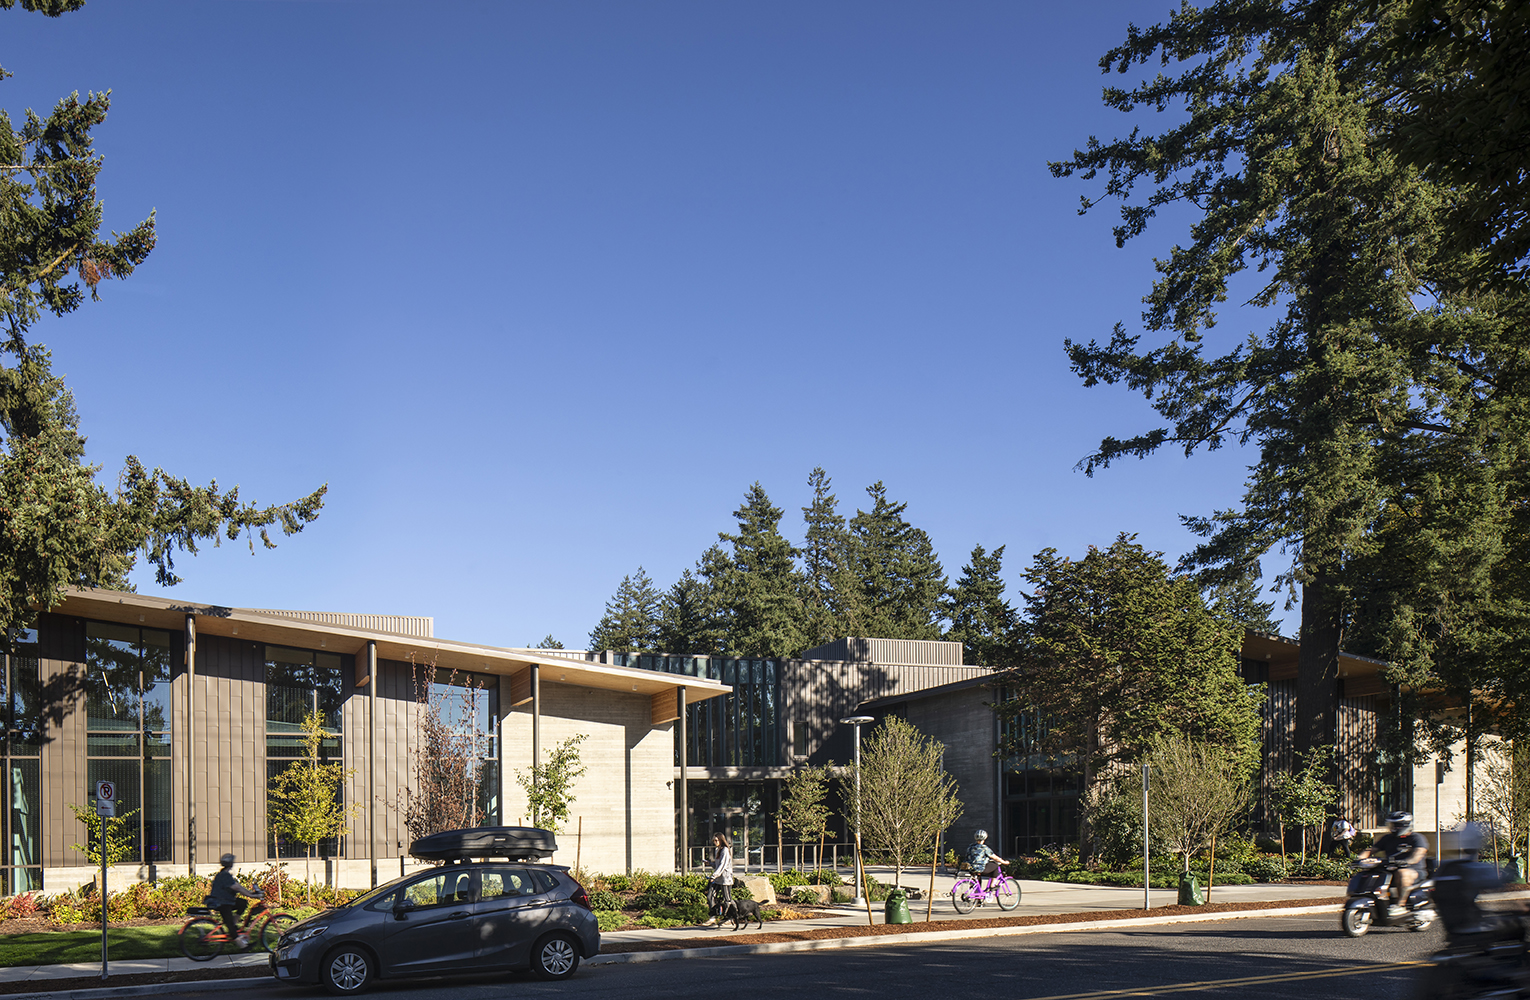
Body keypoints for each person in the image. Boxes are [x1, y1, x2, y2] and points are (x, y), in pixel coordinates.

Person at [1358, 811, 1428, 917]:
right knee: (1373, 874)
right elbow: (1371, 849)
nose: (1393, 828)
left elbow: (1418, 854)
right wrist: (1360, 858)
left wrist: (1407, 861)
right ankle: (1379, 904)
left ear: (1405, 825)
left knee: (1402, 873)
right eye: (1392, 825)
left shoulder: (1417, 838)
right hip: (1390, 869)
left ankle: (1401, 905)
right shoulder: (1388, 838)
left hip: (1414, 870)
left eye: (1396, 825)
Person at [207, 853, 264, 948]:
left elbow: (237, 886)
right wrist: (251, 895)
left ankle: (233, 924)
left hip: (226, 901)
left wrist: (250, 893)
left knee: (242, 903)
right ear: (230, 864)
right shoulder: (224, 875)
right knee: (230, 925)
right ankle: (243, 946)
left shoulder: (224, 874)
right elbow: (236, 888)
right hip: (222, 903)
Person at [705, 832, 733, 927]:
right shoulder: (718, 850)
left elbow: (723, 865)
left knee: (727, 899)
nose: (714, 842)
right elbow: (717, 865)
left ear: (721, 840)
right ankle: (713, 916)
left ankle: (730, 918)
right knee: (710, 896)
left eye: (716, 840)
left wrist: (714, 876)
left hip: (725, 879)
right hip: (717, 879)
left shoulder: (725, 850)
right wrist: (710, 864)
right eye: (713, 840)